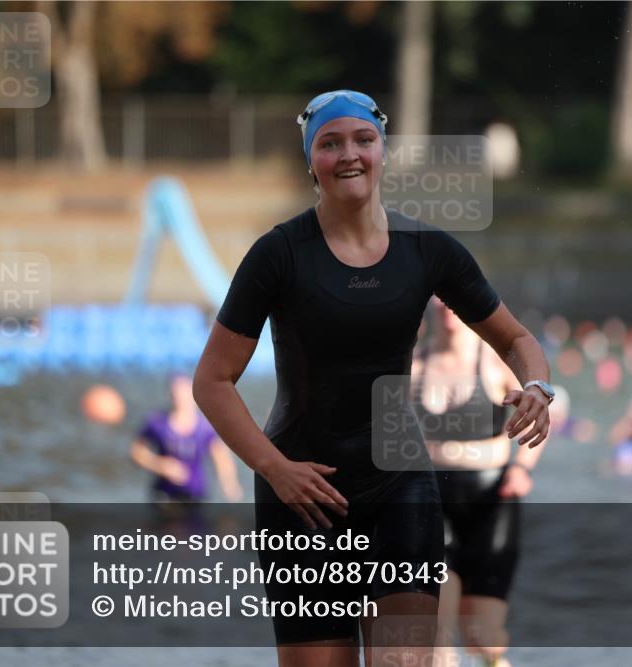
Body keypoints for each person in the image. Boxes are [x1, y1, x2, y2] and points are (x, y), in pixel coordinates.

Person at [192, 90, 553, 667]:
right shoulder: (278, 254)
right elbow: (212, 380)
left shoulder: (428, 250)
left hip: (400, 485)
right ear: (312, 161)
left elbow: (517, 340)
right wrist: (274, 468)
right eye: (330, 144)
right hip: (301, 496)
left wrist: (537, 388)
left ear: (382, 149)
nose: (350, 154)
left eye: (363, 139)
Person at [411, 298, 550, 667]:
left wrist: (523, 469)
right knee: (437, 635)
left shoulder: (493, 361)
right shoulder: (413, 365)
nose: (446, 309)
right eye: (438, 303)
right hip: (433, 504)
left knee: (481, 639)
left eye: (452, 301)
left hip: (492, 503)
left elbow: (542, 414)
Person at [130, 374, 243, 504]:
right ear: (170, 396)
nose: (181, 399)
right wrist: (160, 465)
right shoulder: (157, 422)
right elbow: (136, 451)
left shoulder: (205, 427)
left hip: (195, 495)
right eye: (176, 394)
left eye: (184, 394)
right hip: (164, 496)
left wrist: (229, 484)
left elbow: (221, 456)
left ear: (193, 396)